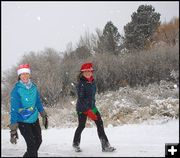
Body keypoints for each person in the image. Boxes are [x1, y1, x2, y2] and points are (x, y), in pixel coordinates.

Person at [72, 62, 116, 152]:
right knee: (81, 126)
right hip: (82, 108)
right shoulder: (81, 84)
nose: (88, 73)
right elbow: (81, 99)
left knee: (100, 124)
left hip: (92, 107)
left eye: (89, 71)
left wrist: (92, 108)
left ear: (92, 72)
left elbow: (92, 97)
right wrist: (88, 111)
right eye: (85, 72)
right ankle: (75, 144)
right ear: (82, 73)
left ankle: (105, 146)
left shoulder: (92, 82)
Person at [9, 64, 48, 157]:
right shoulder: (16, 90)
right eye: (22, 74)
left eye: (27, 73)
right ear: (19, 76)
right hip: (23, 121)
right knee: (32, 146)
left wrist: (43, 114)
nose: (25, 76)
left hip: (34, 119)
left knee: (38, 141)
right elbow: (14, 110)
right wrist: (13, 129)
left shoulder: (34, 87)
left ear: (29, 75)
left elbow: (38, 102)